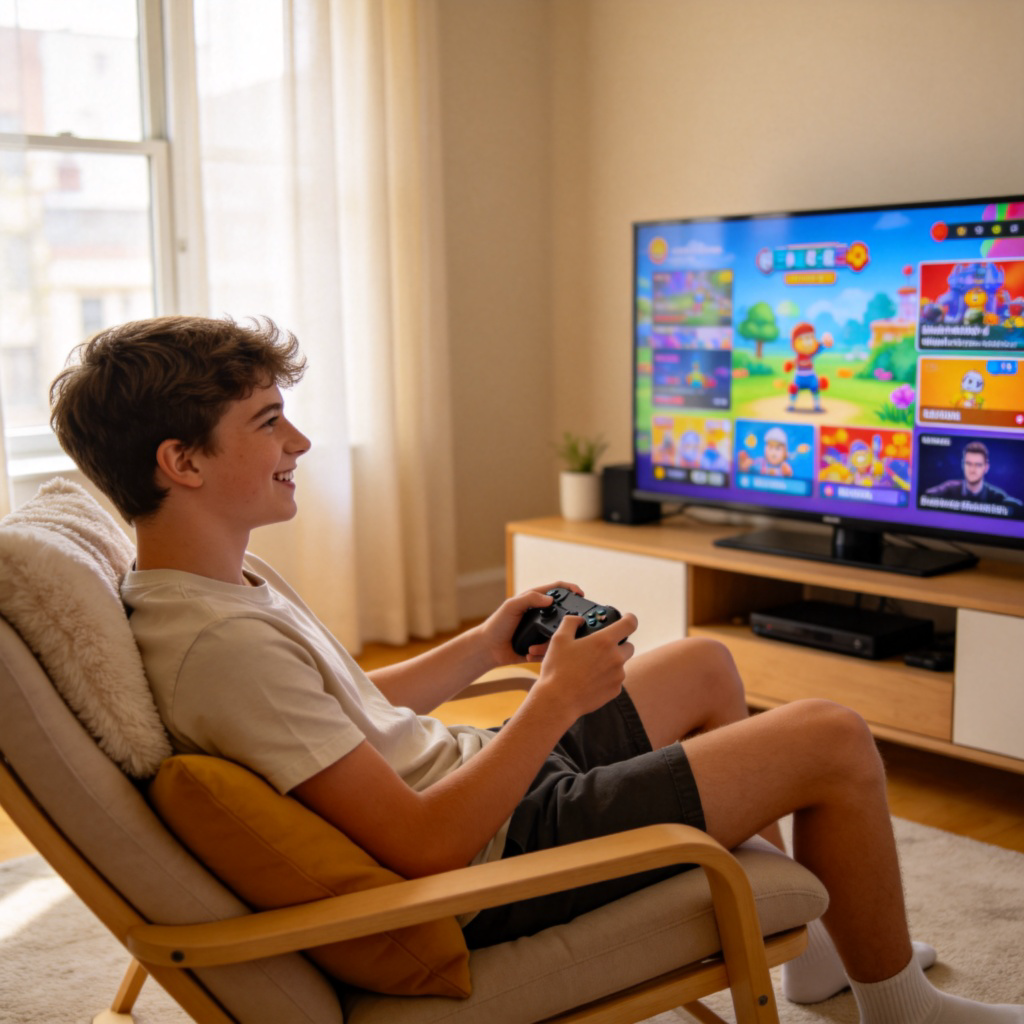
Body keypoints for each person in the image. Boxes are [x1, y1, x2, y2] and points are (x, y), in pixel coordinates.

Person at [49, 315, 1021, 1024]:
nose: (298, 441)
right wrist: (551, 701)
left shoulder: (216, 586)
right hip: (494, 855)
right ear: (181, 461)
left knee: (702, 663)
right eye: (267, 421)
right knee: (831, 736)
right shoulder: (216, 649)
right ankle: (900, 1009)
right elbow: (428, 848)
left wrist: (483, 647)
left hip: (480, 776)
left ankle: (810, 970)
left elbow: (344, 708)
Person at [925, 440, 1023, 513]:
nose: (972, 469)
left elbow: (1017, 507)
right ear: (962, 465)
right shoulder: (949, 488)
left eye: (978, 465)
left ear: (986, 467)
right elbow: (924, 498)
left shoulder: (996, 496)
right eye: (969, 464)